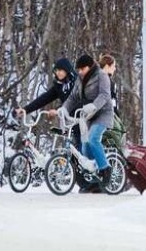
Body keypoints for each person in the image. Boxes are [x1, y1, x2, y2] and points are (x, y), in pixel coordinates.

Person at [57, 54, 113, 192]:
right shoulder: (80, 79)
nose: (80, 71)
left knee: (93, 138)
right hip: (88, 115)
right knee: (85, 147)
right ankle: (93, 176)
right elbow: (73, 97)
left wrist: (94, 105)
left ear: (90, 66)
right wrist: (64, 108)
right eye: (79, 69)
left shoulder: (101, 76)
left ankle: (105, 169)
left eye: (82, 69)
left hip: (102, 113)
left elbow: (105, 95)